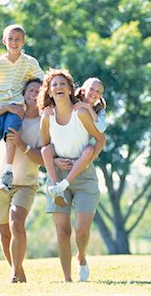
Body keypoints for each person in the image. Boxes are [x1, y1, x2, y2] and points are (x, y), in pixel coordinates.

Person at [38, 69, 106, 282]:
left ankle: (82, 257)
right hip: (57, 176)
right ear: (49, 91)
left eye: (62, 84)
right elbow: (45, 146)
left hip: (84, 176)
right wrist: (56, 160)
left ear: (70, 89)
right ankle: (67, 280)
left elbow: (100, 139)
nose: (58, 87)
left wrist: (87, 159)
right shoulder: (47, 117)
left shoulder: (82, 112)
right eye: (54, 85)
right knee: (62, 232)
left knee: (81, 231)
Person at [0, 24, 44, 197]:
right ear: (4, 41)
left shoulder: (29, 62)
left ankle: (7, 173)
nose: (14, 42)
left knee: (11, 132)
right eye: (10, 39)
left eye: (17, 39)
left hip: (17, 105)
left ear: (23, 41)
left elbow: (44, 82)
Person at [0, 78, 44, 283]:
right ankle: (18, 272)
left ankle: (14, 274)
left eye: (39, 91)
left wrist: (22, 145)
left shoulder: (43, 123)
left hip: (26, 184)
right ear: (24, 92)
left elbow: (43, 159)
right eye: (31, 90)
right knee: (4, 233)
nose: (34, 94)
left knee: (16, 224)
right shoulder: (10, 116)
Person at [41, 77, 106, 207]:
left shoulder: (98, 109)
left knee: (88, 150)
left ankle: (63, 185)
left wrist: (87, 107)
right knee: (46, 150)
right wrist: (45, 110)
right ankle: (55, 186)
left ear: (101, 96)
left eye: (98, 91)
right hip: (67, 146)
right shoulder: (73, 103)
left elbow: (101, 129)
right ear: (82, 90)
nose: (94, 92)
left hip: (86, 151)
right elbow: (59, 107)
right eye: (91, 89)